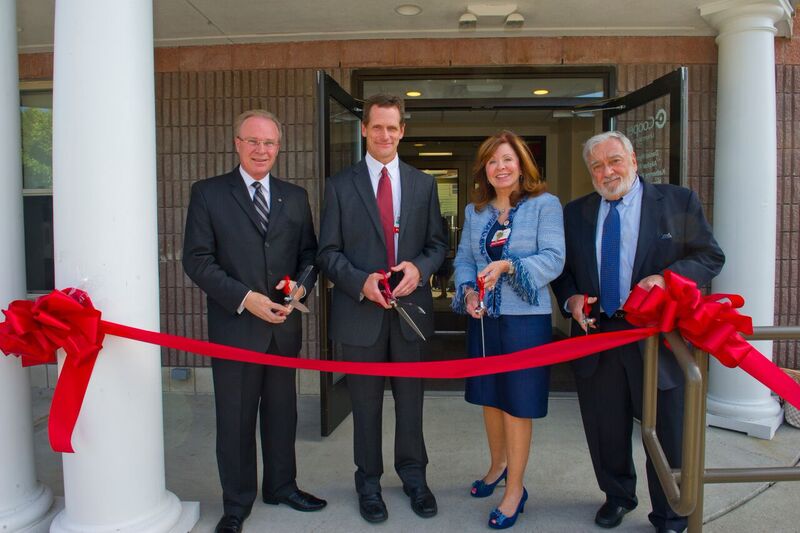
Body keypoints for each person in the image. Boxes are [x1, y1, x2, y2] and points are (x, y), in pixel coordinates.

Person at [551, 131, 724, 533]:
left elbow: (709, 256)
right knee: (605, 427)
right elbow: (563, 272)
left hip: (658, 337)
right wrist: (571, 299)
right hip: (598, 335)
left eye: (614, 161)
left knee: (666, 430)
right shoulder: (575, 212)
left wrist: (667, 279)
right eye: (597, 166)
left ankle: (671, 512)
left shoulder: (677, 201)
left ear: (633, 159)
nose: (607, 172)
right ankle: (617, 496)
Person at [183, 109, 325, 533]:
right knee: (236, 420)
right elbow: (197, 260)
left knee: (283, 415)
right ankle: (236, 503)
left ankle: (281, 486)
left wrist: (300, 288)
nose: (261, 150)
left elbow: (310, 255)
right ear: (237, 144)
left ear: (279, 147)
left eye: (269, 143)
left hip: (283, 329)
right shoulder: (208, 194)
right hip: (236, 328)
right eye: (253, 141)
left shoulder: (294, 196)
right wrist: (246, 299)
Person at [317, 93, 447, 524]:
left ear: (402, 131)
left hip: (411, 314)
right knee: (365, 406)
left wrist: (420, 268)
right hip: (360, 315)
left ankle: (414, 479)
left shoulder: (424, 184)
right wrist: (361, 282)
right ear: (364, 129)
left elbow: (437, 245)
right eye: (377, 127)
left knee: (411, 405)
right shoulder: (340, 186)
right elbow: (327, 252)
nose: (385, 134)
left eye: (392, 127)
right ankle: (368, 484)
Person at [452, 130, 565, 530]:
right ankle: (497, 466)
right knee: (490, 398)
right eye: (492, 161)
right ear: (484, 168)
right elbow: (464, 259)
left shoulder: (544, 205)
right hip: (484, 320)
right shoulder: (475, 211)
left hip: (525, 321)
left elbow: (554, 258)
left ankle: (515, 488)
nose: (500, 167)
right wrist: (468, 292)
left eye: (507, 159)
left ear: (522, 165)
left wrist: (509, 266)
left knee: (517, 404)